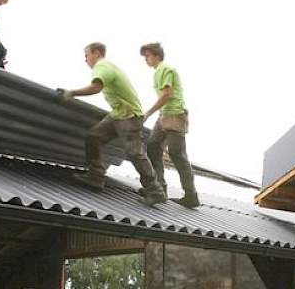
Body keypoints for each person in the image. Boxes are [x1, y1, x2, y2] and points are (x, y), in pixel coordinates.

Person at [61, 42, 167, 206]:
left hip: (129, 115)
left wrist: (72, 93)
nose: (85, 59)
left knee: (134, 153)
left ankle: (155, 191)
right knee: (94, 137)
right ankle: (96, 176)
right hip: (118, 114)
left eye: (86, 55)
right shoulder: (108, 66)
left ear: (96, 53)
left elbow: (96, 87)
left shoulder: (102, 66)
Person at [140, 42, 199, 208]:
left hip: (175, 116)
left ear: (157, 55)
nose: (146, 59)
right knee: (152, 146)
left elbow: (166, 95)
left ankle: (191, 195)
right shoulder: (157, 73)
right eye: (144, 56)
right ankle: (159, 189)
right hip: (164, 116)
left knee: (176, 154)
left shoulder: (166, 69)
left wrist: (148, 113)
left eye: (148, 56)